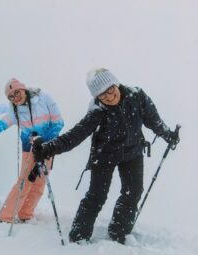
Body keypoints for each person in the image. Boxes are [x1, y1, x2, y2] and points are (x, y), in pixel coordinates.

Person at [32, 68, 180, 244]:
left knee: (133, 192)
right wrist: (50, 148)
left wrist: (167, 134)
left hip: (133, 152)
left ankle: (120, 232)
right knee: (97, 196)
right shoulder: (98, 109)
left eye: (110, 90)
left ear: (115, 83)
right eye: (102, 95)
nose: (109, 97)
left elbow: (152, 119)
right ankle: (79, 237)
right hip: (104, 155)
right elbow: (76, 134)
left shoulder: (137, 96)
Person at [0, 78, 64, 222]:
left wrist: (43, 142)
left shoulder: (43, 97)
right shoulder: (15, 110)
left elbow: (59, 123)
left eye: (17, 93)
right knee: (25, 181)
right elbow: (2, 124)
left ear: (23, 89)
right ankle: (6, 216)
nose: (15, 98)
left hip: (47, 146)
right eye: (11, 97)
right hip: (28, 147)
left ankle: (26, 214)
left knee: (39, 182)